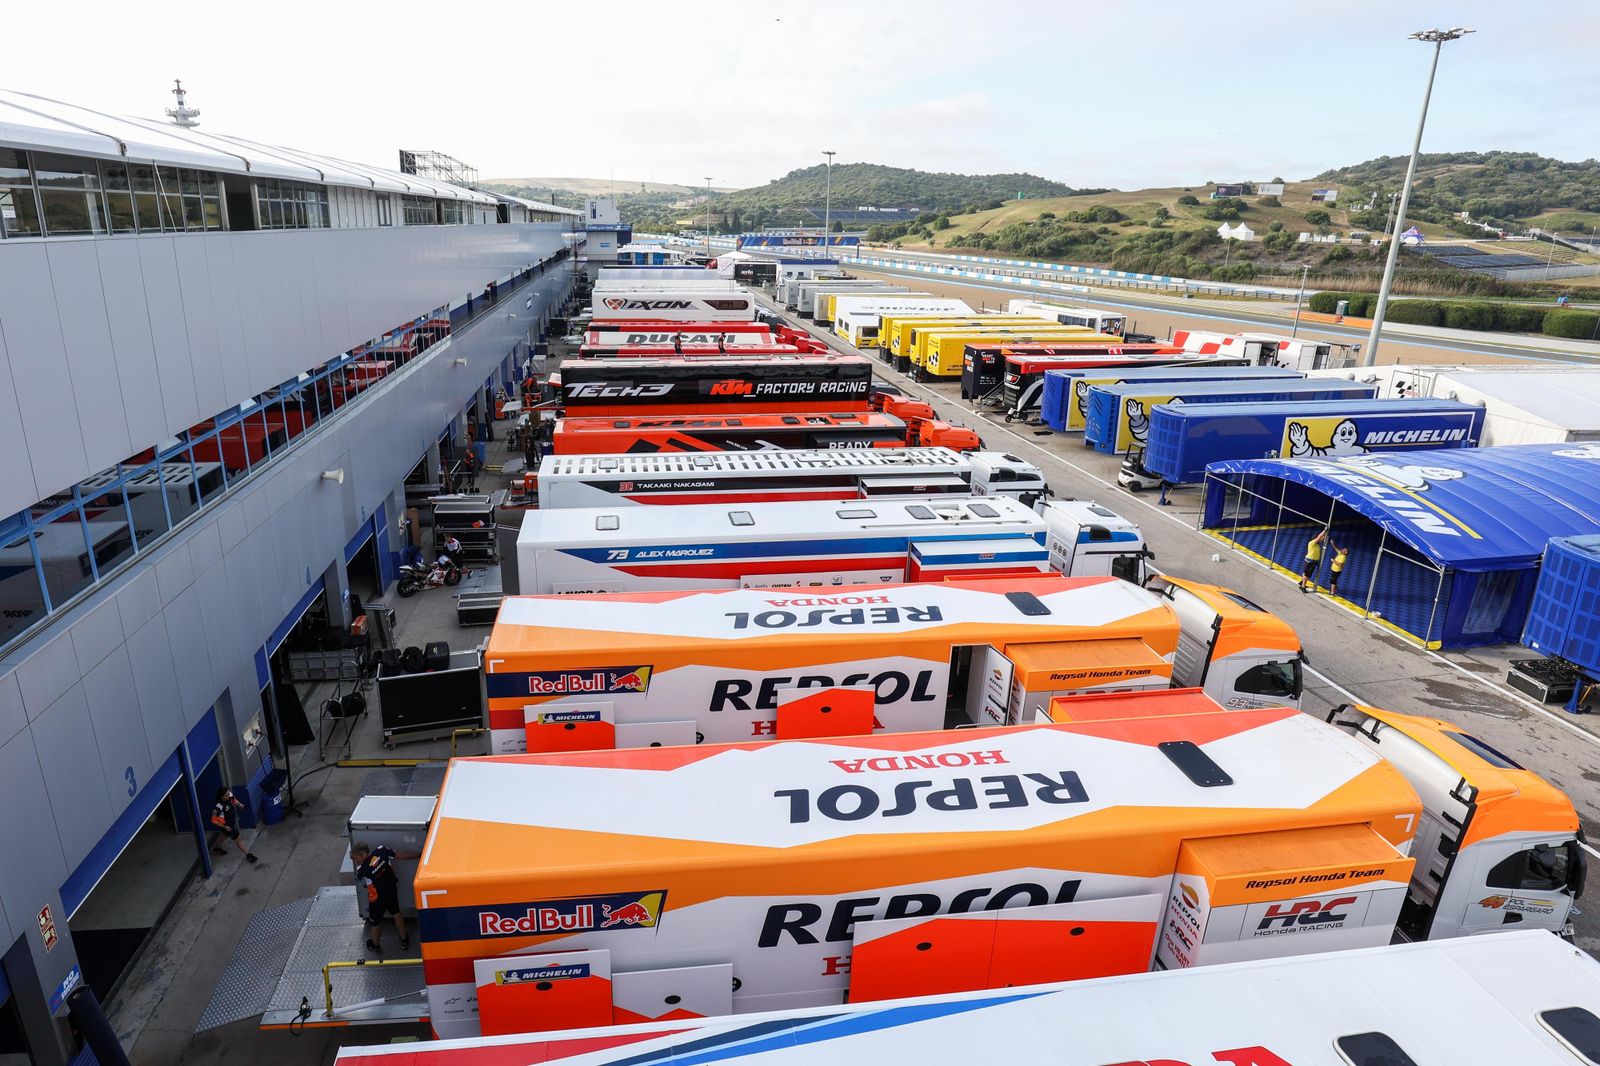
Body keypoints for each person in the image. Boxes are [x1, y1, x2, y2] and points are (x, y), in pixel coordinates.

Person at [352, 841, 419, 954]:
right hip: (391, 890)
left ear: (363, 854)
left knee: (375, 923)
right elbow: (401, 855)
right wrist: (419, 855)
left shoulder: (361, 870)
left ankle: (376, 946)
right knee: (396, 913)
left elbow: (359, 879)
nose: (355, 861)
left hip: (376, 900)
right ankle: (404, 940)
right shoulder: (382, 850)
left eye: (355, 858)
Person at [209, 787, 258, 864]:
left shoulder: (229, 795)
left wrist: (239, 804)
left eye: (228, 793)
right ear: (222, 796)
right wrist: (224, 827)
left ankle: (216, 849)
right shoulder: (219, 806)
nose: (229, 795)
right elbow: (213, 820)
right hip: (227, 826)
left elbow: (234, 801)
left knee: (223, 835)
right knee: (238, 840)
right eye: (226, 795)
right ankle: (248, 855)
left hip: (231, 823)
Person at [1298, 529, 1329, 593]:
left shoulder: (1317, 545)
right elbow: (1319, 537)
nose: (1320, 540)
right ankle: (1303, 586)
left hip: (1312, 561)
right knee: (1307, 574)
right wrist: (1324, 531)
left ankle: (1302, 582)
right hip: (1310, 561)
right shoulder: (1312, 543)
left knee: (1305, 573)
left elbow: (1321, 538)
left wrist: (1325, 534)